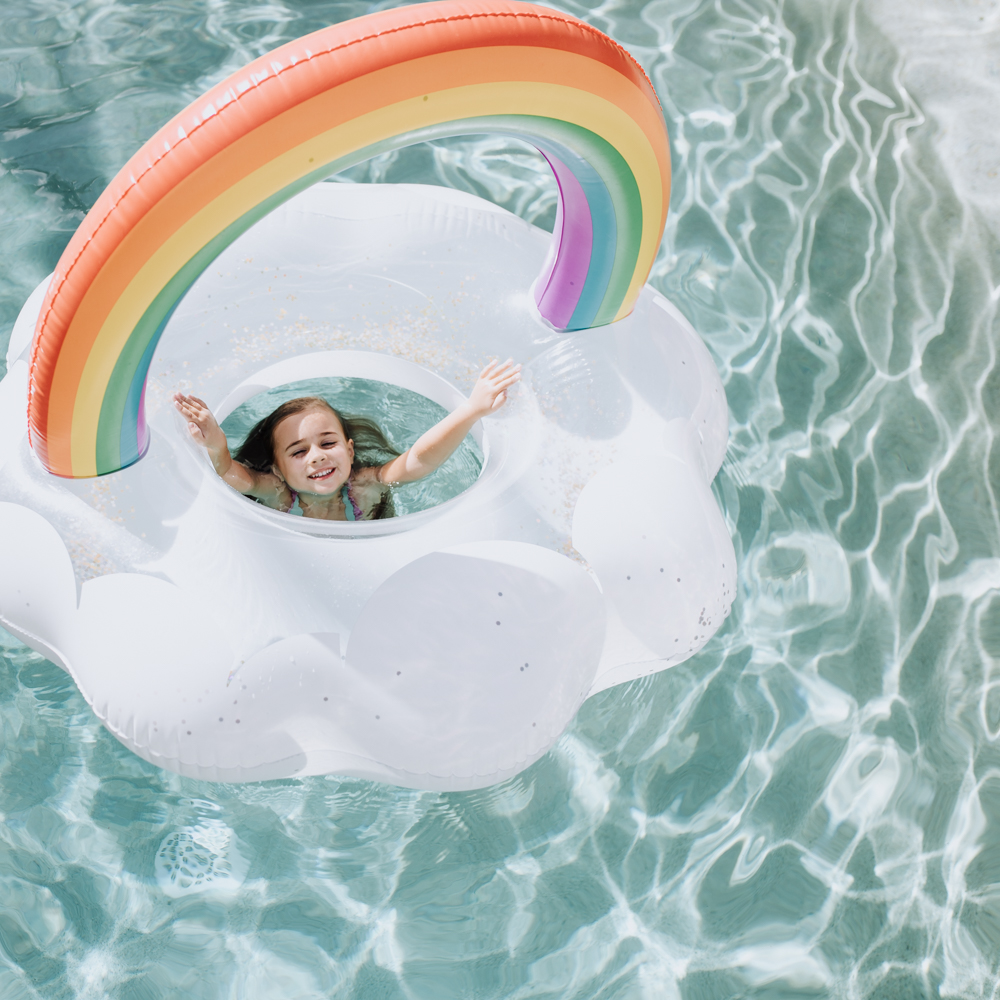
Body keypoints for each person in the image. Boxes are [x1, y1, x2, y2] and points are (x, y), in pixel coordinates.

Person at [172, 359, 520, 520]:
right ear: (277, 469)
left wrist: (470, 410)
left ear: (350, 452)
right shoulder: (278, 493)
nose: (317, 456)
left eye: (327, 443)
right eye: (298, 451)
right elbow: (233, 475)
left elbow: (419, 461)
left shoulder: (364, 486)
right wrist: (217, 444)